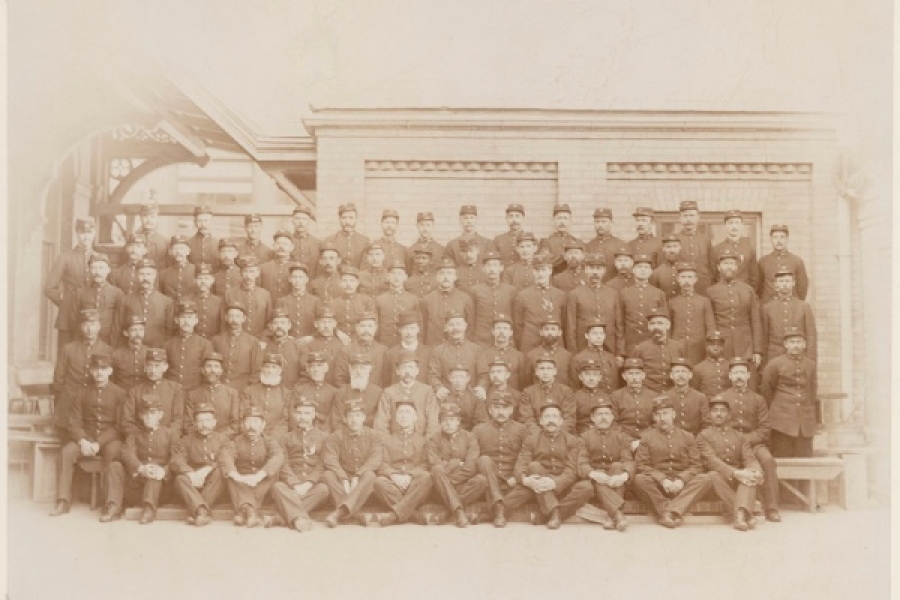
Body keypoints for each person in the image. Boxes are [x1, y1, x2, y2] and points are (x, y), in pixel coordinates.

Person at [51, 352, 125, 517]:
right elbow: (74, 422)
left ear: (110, 371)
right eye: (96, 369)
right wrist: (83, 440)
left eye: (103, 369)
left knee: (114, 453)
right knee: (66, 452)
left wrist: (99, 442)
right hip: (86, 438)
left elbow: (119, 426)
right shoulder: (81, 393)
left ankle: (111, 503)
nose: (99, 373)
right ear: (90, 371)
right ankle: (63, 500)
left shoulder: (120, 393)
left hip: (109, 439)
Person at [502, 403, 593, 529]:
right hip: (538, 483)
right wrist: (526, 480)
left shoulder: (572, 440)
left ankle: (548, 515)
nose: (551, 420)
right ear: (541, 421)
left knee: (587, 487)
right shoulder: (531, 440)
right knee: (534, 466)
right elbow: (521, 464)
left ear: (561, 421)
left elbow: (571, 471)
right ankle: (554, 514)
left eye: (554, 417)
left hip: (561, 485)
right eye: (547, 417)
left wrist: (555, 483)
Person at [633, 397, 713, 528]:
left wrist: (681, 480)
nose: (662, 418)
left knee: (706, 479)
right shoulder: (647, 438)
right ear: (654, 417)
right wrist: (662, 479)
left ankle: (668, 512)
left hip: (682, 486)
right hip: (658, 486)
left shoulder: (688, 436)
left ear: (673, 414)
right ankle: (670, 510)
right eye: (658, 414)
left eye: (665, 413)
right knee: (639, 480)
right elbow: (641, 465)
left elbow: (696, 466)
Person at [718, 358, 781, 522]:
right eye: (735, 373)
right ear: (730, 376)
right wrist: (733, 441)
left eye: (742, 373)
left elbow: (764, 429)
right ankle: (736, 506)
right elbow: (717, 425)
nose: (739, 376)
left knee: (768, 461)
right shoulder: (722, 398)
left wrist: (745, 440)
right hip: (729, 443)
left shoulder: (758, 399)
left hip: (754, 444)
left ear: (748, 376)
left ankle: (772, 508)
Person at [104, 394, 177, 524]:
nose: (148, 417)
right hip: (137, 487)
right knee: (115, 466)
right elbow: (127, 453)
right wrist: (140, 468)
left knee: (155, 469)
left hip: (160, 489)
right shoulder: (134, 435)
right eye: (145, 414)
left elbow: (177, 458)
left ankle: (149, 509)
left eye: (153, 413)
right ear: (141, 416)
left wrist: (164, 471)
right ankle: (114, 507)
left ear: (160, 415)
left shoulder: (170, 434)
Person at [697, 396, 763, 531]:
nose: (719, 414)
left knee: (749, 476)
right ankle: (743, 515)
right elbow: (711, 460)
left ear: (728, 415)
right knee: (713, 475)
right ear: (710, 414)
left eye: (722, 411)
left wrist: (756, 471)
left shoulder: (739, 436)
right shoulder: (703, 436)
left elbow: (749, 458)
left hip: (738, 481)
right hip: (719, 483)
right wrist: (736, 473)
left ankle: (741, 516)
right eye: (715, 411)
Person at [267, 398, 331, 532]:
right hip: (291, 485)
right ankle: (298, 518)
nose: (302, 417)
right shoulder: (286, 438)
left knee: (324, 490)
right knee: (277, 487)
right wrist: (295, 484)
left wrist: (308, 483)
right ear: (295, 415)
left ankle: (281, 518)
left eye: (307, 413)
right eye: (299, 413)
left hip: (312, 486)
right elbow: (283, 463)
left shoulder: (324, 437)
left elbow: (322, 464)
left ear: (314, 415)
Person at [321, 399, 384, 527]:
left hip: (362, 483)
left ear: (364, 418)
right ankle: (354, 513)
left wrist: (358, 475)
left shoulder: (374, 435)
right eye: (350, 416)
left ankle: (340, 512)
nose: (354, 420)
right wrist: (343, 478)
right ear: (345, 418)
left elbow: (375, 459)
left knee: (371, 476)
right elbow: (330, 459)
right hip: (343, 482)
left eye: (358, 416)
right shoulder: (336, 436)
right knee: (327, 475)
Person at [219, 405, 285, 528]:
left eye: (255, 422)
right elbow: (226, 456)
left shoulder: (269, 441)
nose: (251, 426)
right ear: (243, 424)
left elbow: (278, 456)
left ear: (263, 425)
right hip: (241, 482)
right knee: (229, 476)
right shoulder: (235, 441)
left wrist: (260, 475)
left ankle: (243, 511)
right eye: (248, 421)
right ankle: (250, 512)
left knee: (273, 473)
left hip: (261, 483)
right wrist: (238, 476)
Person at [52, 308, 113, 436]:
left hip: (94, 406)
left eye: (93, 324)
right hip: (69, 405)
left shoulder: (107, 350)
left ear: (99, 326)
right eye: (86, 324)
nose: (90, 329)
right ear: (80, 326)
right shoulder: (68, 349)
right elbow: (58, 381)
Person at [577, 397, 634, 530]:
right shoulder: (584, 437)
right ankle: (617, 515)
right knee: (598, 478)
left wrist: (623, 476)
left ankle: (611, 515)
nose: (603, 418)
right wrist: (594, 474)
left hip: (615, 478)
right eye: (599, 414)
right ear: (592, 418)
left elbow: (628, 460)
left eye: (607, 414)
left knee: (618, 466)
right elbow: (582, 462)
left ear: (612, 417)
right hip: (595, 480)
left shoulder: (621, 437)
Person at [760, 327, 818, 457]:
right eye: (792, 342)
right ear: (785, 344)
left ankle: (804, 478)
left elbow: (812, 392)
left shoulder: (810, 365)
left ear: (804, 344)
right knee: (782, 459)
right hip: (782, 422)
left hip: (805, 422)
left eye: (799, 342)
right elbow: (766, 390)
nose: (796, 346)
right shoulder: (775, 364)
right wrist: (777, 410)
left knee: (805, 460)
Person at [427, 403, 488, 527]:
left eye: (452, 420)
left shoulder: (470, 437)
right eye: (444, 420)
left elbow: (471, 467)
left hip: (458, 486)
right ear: (440, 422)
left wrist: (447, 480)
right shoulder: (433, 439)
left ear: (458, 421)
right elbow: (434, 463)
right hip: (439, 488)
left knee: (481, 480)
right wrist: (455, 464)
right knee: (437, 469)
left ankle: (449, 509)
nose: (448, 424)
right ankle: (458, 511)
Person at [373, 401, 434, 526]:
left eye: (408, 412)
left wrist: (410, 475)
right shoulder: (387, 440)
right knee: (378, 482)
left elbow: (425, 464)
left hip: (414, 484)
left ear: (415, 417)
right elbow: (382, 464)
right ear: (396, 418)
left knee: (427, 478)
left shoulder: (423, 441)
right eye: (400, 412)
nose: (404, 416)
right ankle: (412, 514)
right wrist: (394, 476)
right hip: (393, 485)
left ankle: (395, 515)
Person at [170, 401, 231, 527]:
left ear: (215, 422)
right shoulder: (186, 440)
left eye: (208, 420)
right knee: (180, 479)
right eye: (200, 421)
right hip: (194, 483)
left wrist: (207, 469)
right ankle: (202, 512)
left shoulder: (223, 439)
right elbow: (177, 460)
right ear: (195, 423)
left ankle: (197, 510)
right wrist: (191, 473)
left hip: (213, 485)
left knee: (221, 472)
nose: (204, 425)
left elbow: (224, 459)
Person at [473, 391, 528, 527]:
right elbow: (475, 459)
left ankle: (494, 510)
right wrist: (502, 477)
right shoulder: (479, 430)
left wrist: (517, 476)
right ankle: (498, 507)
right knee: (484, 459)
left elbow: (525, 457)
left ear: (511, 410)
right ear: (490, 410)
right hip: (490, 481)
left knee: (530, 487)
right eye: (496, 408)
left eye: (504, 408)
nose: (500, 412)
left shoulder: (521, 430)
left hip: (513, 482)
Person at [707, 248, 764, 377]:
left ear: (737, 267)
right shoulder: (711, 292)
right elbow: (710, 323)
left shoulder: (747, 290)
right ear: (718, 267)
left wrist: (757, 351)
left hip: (745, 345)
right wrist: (714, 347)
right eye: (725, 263)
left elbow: (755, 321)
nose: (729, 267)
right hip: (722, 345)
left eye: (732, 264)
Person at [45, 216, 97, 349]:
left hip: (92, 317)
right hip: (68, 317)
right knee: (65, 356)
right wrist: (66, 302)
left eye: (89, 233)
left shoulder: (99, 259)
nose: (86, 237)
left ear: (94, 233)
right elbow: (49, 288)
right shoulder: (65, 258)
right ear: (77, 233)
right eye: (82, 233)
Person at [565, 253, 623, 356]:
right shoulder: (575, 294)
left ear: (604, 270)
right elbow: (570, 327)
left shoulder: (613, 294)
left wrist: (620, 353)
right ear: (586, 270)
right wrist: (573, 353)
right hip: (583, 347)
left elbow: (619, 326)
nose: (595, 272)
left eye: (598, 268)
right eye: (591, 268)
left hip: (609, 347)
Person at [121, 347, 185, 440]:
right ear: (145, 367)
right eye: (149, 365)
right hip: (141, 441)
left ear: (165, 367)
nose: (153, 370)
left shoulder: (175, 389)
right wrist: (143, 438)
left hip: (167, 441)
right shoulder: (135, 391)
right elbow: (127, 422)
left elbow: (178, 421)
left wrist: (166, 437)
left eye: (157, 366)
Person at [375, 351, 441, 437]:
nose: (407, 371)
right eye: (403, 367)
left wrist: (427, 443)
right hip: (395, 443)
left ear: (417, 371)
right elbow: (381, 423)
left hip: (421, 442)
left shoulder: (427, 391)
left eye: (411, 367)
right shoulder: (389, 393)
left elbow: (433, 421)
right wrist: (389, 443)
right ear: (398, 371)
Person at [761, 267, 817, 364]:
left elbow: (811, 336)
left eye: (787, 281)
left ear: (793, 283)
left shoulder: (803, 307)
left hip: (799, 356)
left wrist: (810, 360)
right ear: (776, 285)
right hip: (774, 355)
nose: (785, 284)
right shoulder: (767, 308)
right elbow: (764, 338)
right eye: (781, 281)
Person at [115, 258, 175, 348]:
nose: (145, 278)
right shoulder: (125, 300)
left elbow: (169, 332)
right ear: (136, 276)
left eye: (148, 274)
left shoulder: (166, 302)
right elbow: (117, 328)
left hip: (157, 351)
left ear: (155, 276)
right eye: (141, 274)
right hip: (131, 349)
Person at [512, 254, 566, 354]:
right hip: (530, 345)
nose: (540, 274)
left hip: (554, 344)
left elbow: (563, 321)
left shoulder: (560, 295)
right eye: (537, 270)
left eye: (543, 270)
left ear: (550, 270)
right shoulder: (522, 296)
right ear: (533, 271)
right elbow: (518, 326)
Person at [668, 261, 716, 366]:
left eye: (690, 277)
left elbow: (711, 327)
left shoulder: (704, 301)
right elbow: (669, 328)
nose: (686, 280)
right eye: (683, 277)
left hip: (699, 347)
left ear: (695, 280)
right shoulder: (672, 303)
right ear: (678, 280)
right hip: (678, 346)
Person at [427, 311, 482, 400]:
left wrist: (481, 387)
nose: (455, 328)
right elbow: (433, 375)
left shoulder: (476, 350)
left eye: (458, 324)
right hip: (446, 398)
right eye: (451, 325)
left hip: (472, 399)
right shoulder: (437, 351)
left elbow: (483, 374)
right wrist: (438, 388)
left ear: (465, 326)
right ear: (446, 328)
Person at [620, 254, 668, 354]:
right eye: (639, 267)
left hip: (652, 342)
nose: (643, 270)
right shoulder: (624, 293)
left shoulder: (658, 293)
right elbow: (620, 323)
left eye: (646, 267)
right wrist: (621, 350)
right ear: (633, 270)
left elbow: (665, 322)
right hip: (631, 343)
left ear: (651, 272)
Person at [184, 353, 241, 437]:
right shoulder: (193, 394)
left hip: (224, 441)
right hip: (198, 441)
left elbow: (235, 425)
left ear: (221, 371)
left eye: (216, 367)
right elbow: (188, 425)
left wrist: (216, 438)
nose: (212, 370)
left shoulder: (232, 394)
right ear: (202, 370)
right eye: (209, 366)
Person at [421, 258, 475, 345]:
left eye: (449, 273)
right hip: (433, 347)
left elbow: (470, 327)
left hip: (458, 348)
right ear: (437, 277)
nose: (446, 277)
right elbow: (423, 328)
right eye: (442, 274)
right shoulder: (427, 300)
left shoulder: (465, 299)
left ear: (455, 277)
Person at [630, 309, 686, 392]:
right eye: (652, 323)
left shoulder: (678, 347)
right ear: (648, 327)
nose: (656, 327)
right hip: (649, 393)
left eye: (660, 323)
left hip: (672, 393)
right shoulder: (640, 349)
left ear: (668, 325)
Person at [211, 302, 262, 392]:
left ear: (244, 318)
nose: (234, 319)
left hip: (242, 389)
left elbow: (257, 371)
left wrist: (248, 389)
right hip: (220, 388)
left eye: (238, 316)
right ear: (226, 318)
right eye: (231, 316)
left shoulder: (253, 342)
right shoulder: (216, 341)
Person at [469, 251, 517, 346]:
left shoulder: (511, 290)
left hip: (505, 340)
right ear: (483, 269)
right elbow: (471, 318)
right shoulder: (475, 290)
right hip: (481, 340)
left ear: (501, 268)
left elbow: (515, 318)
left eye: (495, 265)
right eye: (488, 266)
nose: (491, 269)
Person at [519, 353, 575, 434]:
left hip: (560, 436)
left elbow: (569, 419)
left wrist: (556, 435)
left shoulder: (566, 391)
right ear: (536, 372)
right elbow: (526, 419)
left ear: (555, 371)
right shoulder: (528, 392)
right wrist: (541, 436)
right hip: (536, 437)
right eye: (542, 369)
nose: (545, 372)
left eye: (549, 368)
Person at [163, 300, 213, 392]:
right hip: (172, 391)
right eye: (183, 317)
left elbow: (207, 372)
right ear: (176, 320)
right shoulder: (168, 345)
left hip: (195, 391)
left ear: (196, 320)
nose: (186, 321)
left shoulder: (205, 344)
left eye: (190, 318)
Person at [73, 253, 122, 345]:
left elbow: (118, 322)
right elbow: (74, 320)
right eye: (94, 268)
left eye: (101, 268)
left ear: (108, 270)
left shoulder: (117, 292)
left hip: (108, 341)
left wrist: (113, 343)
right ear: (89, 270)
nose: (97, 272)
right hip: (84, 341)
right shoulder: (80, 292)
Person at [240, 353, 291, 439]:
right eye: (267, 367)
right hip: (252, 435)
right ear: (262, 369)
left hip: (277, 438)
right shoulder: (249, 391)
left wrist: (273, 437)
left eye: (274, 367)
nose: (270, 371)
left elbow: (285, 421)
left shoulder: (286, 394)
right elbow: (243, 416)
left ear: (280, 370)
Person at [332, 312, 388, 388]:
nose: (366, 330)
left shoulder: (383, 350)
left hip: (378, 397)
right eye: (362, 326)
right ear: (356, 328)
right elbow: (339, 379)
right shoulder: (346, 351)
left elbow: (388, 379)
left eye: (370, 326)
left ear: (376, 328)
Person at [758, 224, 810, 304]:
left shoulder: (796, 261)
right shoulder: (763, 261)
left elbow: (802, 287)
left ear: (787, 239)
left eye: (782, 237)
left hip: (791, 306)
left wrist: (796, 304)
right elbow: (759, 287)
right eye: (775, 237)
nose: (779, 241)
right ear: (771, 239)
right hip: (768, 306)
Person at [375, 261, 421, 348]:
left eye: (399, 274)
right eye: (393, 274)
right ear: (388, 277)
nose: (396, 277)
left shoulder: (413, 299)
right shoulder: (379, 300)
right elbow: (376, 327)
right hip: (385, 344)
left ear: (405, 277)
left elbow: (419, 325)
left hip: (407, 345)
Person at [224, 255, 271, 338]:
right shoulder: (230, 293)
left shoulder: (265, 294)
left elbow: (269, 322)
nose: (248, 276)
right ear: (241, 273)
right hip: (236, 339)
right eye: (246, 271)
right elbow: (223, 322)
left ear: (257, 273)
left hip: (259, 339)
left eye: (252, 271)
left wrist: (263, 339)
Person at [476, 314, 526, 391]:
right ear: (493, 331)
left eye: (505, 329)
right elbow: (484, 378)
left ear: (510, 333)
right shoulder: (484, 355)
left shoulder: (519, 356)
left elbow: (523, 384)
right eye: (498, 328)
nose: (501, 332)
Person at [296, 306, 344, 387]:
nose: (326, 326)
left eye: (329, 322)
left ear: (335, 324)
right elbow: (304, 367)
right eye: (323, 322)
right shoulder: (309, 344)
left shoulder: (342, 344)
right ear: (316, 324)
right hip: (313, 387)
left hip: (335, 387)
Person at [610, 358, 657, 440]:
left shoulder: (653, 396)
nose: (634, 377)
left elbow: (656, 423)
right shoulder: (615, 396)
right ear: (624, 376)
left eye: (637, 373)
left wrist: (643, 439)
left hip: (648, 440)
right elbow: (613, 423)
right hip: (622, 440)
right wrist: (628, 440)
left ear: (643, 375)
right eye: (630, 374)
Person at [331, 353, 383, 427]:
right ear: (350, 369)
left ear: (369, 370)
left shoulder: (378, 392)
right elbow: (337, 421)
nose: (358, 372)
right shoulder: (341, 392)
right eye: (355, 367)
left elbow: (379, 422)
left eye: (362, 368)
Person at [674, 201, 715, 294]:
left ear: (698, 217)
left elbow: (712, 268)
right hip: (680, 288)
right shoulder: (674, 240)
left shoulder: (705, 240)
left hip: (703, 287)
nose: (688, 219)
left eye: (692, 215)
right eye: (685, 216)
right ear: (680, 218)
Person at [569, 320, 619, 395]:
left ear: (605, 336)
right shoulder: (579, 358)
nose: (598, 337)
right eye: (594, 333)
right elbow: (575, 387)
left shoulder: (610, 357)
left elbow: (615, 383)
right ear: (586, 336)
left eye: (601, 333)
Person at [711, 210, 759, 289]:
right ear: (725, 226)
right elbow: (713, 276)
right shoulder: (717, 249)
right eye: (730, 223)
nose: (734, 226)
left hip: (744, 292)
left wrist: (750, 293)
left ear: (741, 226)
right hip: (723, 292)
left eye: (737, 223)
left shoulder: (749, 249)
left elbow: (754, 277)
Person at [292, 351, 338, 432]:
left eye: (319, 366)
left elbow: (333, 419)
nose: (316, 369)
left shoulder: (333, 392)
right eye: (313, 366)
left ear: (326, 368)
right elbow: (293, 416)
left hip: (325, 433)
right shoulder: (299, 390)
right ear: (308, 369)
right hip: (301, 432)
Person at [260, 308, 303, 389]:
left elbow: (304, 374)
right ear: (270, 326)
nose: (279, 326)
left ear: (289, 326)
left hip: (291, 392)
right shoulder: (264, 347)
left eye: (283, 323)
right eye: (275, 323)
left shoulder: (298, 347)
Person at [523, 317, 572, 389]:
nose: (550, 332)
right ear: (541, 332)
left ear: (559, 333)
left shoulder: (567, 356)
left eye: (553, 329)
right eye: (546, 329)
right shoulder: (531, 355)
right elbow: (527, 384)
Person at [665, 357, 710, 435]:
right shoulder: (665, 397)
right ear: (671, 375)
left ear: (690, 375)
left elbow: (707, 424)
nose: (680, 375)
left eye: (683, 371)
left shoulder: (700, 397)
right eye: (677, 372)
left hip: (695, 440)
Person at [328, 265, 376, 337]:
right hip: (339, 339)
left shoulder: (367, 301)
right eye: (344, 281)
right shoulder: (333, 303)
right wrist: (338, 332)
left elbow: (372, 324)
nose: (348, 284)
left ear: (357, 283)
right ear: (340, 283)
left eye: (351, 281)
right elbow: (329, 323)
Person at [275, 262, 320, 339]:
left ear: (306, 279)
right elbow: (277, 324)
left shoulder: (315, 301)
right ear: (290, 279)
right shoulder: (282, 301)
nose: (297, 280)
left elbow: (320, 323)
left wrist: (312, 337)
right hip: (289, 342)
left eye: (300, 277)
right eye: (294, 277)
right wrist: (286, 336)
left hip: (309, 342)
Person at [384, 312, 431, 385]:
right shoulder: (391, 353)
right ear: (400, 330)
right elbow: (386, 381)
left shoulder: (428, 352)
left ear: (418, 329)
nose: (409, 332)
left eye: (412, 328)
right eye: (405, 328)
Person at [438, 364, 488, 431]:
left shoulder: (475, 397)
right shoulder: (443, 396)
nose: (458, 381)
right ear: (449, 378)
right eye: (455, 377)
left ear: (468, 379)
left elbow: (481, 422)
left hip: (469, 435)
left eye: (462, 377)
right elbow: (437, 420)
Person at [570, 358, 614, 434]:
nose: (591, 378)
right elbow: (571, 422)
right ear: (580, 377)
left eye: (595, 374)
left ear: (600, 377)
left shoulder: (607, 397)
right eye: (587, 374)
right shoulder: (574, 397)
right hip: (581, 436)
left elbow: (613, 422)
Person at [584, 207, 625, 283]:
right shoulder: (588, 246)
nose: (600, 225)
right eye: (597, 222)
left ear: (611, 223)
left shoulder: (620, 245)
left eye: (603, 222)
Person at [326, 202, 371, 268]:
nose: (347, 222)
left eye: (351, 218)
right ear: (339, 219)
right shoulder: (330, 240)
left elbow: (366, 267)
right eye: (344, 218)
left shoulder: (365, 241)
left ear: (356, 219)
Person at [111, 315, 149, 391]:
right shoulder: (116, 355)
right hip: (123, 395)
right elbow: (111, 381)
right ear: (126, 333)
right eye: (134, 330)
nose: (138, 334)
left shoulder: (149, 352)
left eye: (141, 330)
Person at [186, 263, 223, 339]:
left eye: (206, 278)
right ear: (194, 280)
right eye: (200, 278)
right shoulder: (186, 300)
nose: (203, 282)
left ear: (212, 280)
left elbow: (222, 327)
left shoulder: (219, 302)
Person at [538, 204, 581, 269]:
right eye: (559, 218)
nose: (562, 222)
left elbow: (583, 262)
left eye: (565, 218)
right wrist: (565, 256)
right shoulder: (546, 242)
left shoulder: (577, 242)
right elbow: (545, 261)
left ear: (570, 221)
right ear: (553, 220)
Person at [691, 331, 731, 397]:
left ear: (723, 347)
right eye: (712, 344)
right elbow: (694, 394)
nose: (716, 348)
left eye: (719, 345)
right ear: (706, 347)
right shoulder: (698, 368)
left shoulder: (730, 366)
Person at [259, 230, 295, 301]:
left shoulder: (297, 269)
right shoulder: (263, 268)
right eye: (278, 243)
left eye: (285, 244)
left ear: (292, 247)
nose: (281, 246)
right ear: (273, 246)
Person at [159, 235, 198, 301]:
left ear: (188, 251)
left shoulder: (195, 270)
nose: (178, 251)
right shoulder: (163, 274)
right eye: (175, 248)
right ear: (170, 252)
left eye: (181, 248)